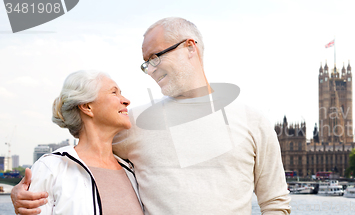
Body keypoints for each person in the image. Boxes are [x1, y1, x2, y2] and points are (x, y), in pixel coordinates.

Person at [12, 17, 291, 215]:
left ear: (190, 47)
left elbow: (275, 203)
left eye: (155, 57)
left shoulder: (253, 121)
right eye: (146, 64)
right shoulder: (132, 122)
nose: (151, 70)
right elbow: (85, 154)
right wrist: (26, 192)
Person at [19, 71, 144, 215]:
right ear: (87, 107)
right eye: (114, 93)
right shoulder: (51, 168)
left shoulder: (132, 171)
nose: (126, 100)